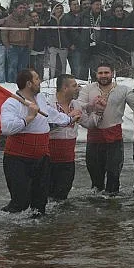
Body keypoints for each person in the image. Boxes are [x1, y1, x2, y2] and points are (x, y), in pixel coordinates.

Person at [0, 68, 79, 214]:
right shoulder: (12, 103)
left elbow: (50, 113)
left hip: (41, 158)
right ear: (29, 83)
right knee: (20, 202)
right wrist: (28, 118)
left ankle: (39, 227)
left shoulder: (40, 98)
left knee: (40, 204)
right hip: (18, 159)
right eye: (37, 79)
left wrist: (68, 119)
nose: (40, 81)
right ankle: (3, 222)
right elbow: (6, 128)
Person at [77, 63, 131, 194]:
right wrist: (92, 105)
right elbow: (79, 106)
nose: (103, 76)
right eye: (100, 73)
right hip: (94, 138)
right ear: (96, 74)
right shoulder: (88, 89)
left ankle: (112, 203)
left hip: (114, 139)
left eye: (106, 73)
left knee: (113, 177)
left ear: (112, 73)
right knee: (96, 181)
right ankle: (97, 204)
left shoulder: (123, 90)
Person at [48, 73, 82, 201]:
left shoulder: (76, 105)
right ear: (65, 88)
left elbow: (88, 123)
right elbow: (44, 127)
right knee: (47, 197)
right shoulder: (48, 104)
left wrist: (98, 111)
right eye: (74, 86)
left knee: (62, 198)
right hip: (49, 160)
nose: (78, 88)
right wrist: (68, 118)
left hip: (68, 160)